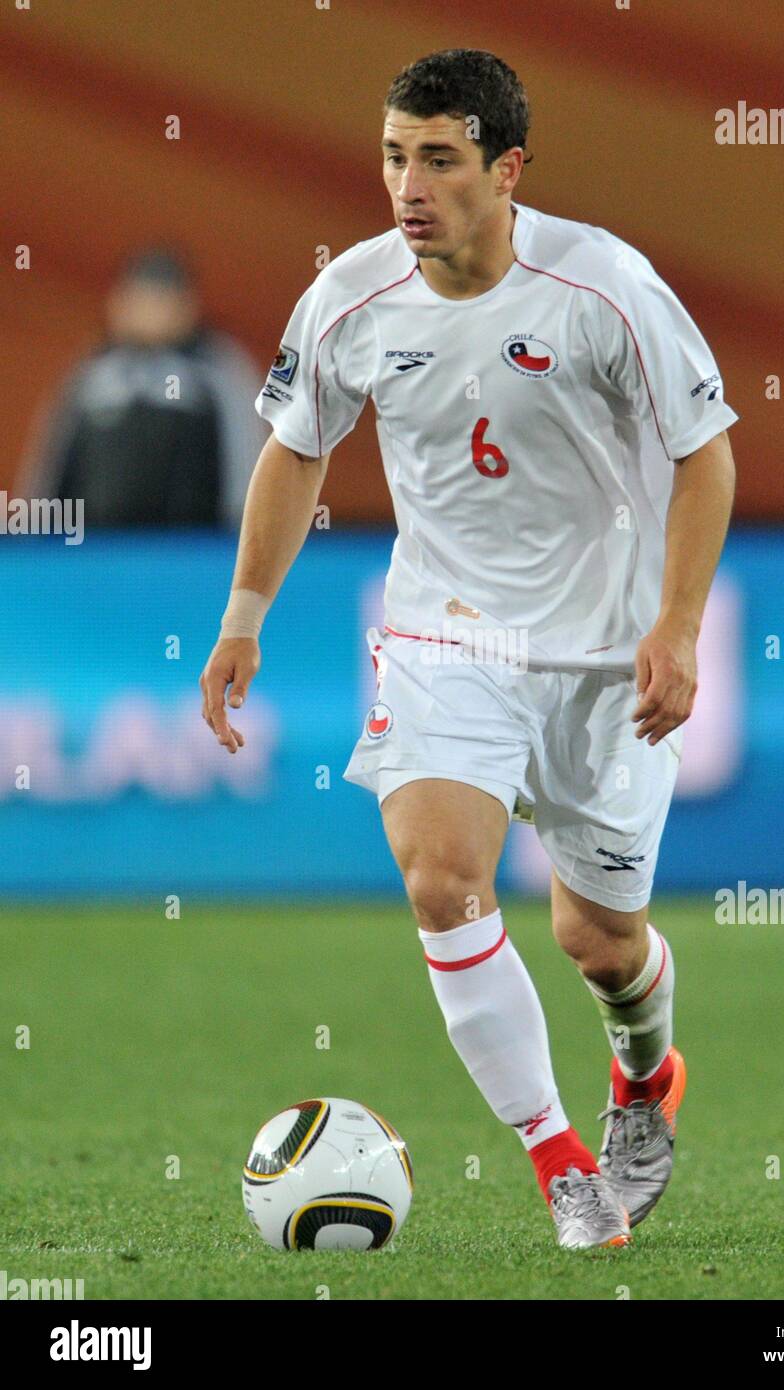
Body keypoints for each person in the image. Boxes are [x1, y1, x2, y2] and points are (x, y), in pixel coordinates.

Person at [200, 49, 738, 1250]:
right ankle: (560, 1164)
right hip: (448, 635)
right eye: (395, 154)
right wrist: (245, 617)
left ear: (506, 169)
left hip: (603, 662)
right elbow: (296, 445)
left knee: (600, 942)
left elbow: (705, 453)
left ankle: (643, 1081)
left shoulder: (602, 287)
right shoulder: (350, 294)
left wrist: (678, 621)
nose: (409, 184)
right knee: (441, 875)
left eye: (439, 158)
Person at [21, 248, 264, 527]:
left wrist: (243, 530)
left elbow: (244, 457)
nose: (145, 313)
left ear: (186, 307)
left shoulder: (219, 371)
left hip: (190, 550)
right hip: (94, 548)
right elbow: (53, 462)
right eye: (135, 300)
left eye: (158, 301)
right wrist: (35, 530)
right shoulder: (93, 373)